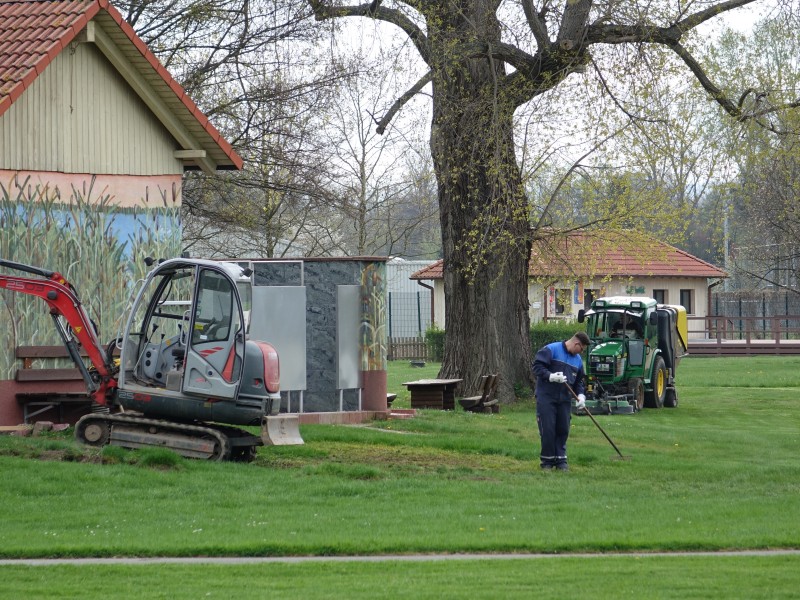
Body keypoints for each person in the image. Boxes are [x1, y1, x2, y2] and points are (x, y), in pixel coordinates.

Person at [532, 331, 590, 471]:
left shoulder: (577, 361)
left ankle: (561, 461)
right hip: (546, 397)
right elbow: (537, 367)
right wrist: (550, 376)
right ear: (576, 344)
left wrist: (581, 396)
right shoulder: (551, 349)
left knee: (563, 429)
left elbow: (579, 382)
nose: (581, 352)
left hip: (564, 400)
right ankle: (547, 461)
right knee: (548, 429)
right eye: (581, 349)